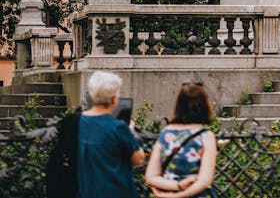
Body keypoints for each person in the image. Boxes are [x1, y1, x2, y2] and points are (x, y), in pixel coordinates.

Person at [77, 70, 145, 198]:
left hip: (86, 191)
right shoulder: (118, 127)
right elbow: (139, 159)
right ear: (114, 99)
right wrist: (131, 132)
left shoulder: (76, 122)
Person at [145, 83, 217, 198]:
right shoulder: (206, 136)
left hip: (168, 192)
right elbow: (204, 181)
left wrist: (177, 187)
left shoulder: (166, 133)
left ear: (178, 105)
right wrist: (181, 195)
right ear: (205, 105)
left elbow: (151, 177)